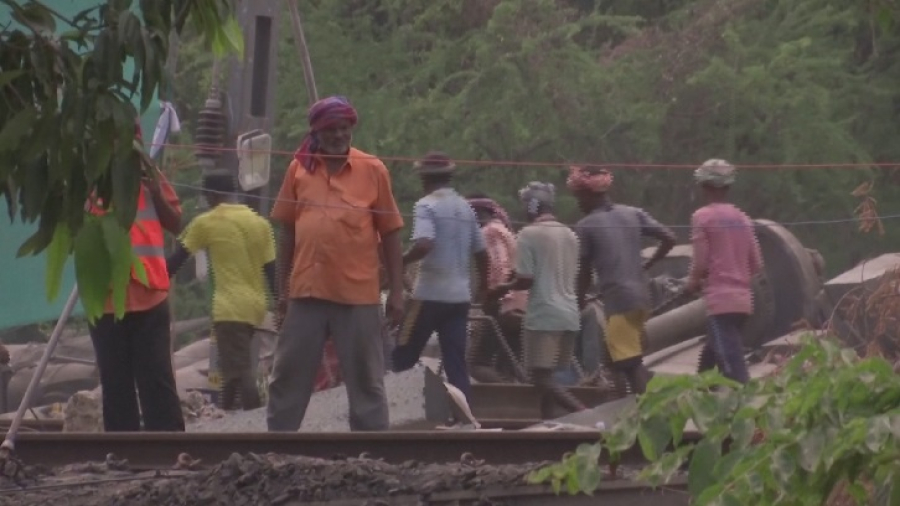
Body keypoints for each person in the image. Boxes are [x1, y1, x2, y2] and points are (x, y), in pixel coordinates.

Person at [267, 95, 405, 432]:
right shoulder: (299, 168)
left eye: (344, 129)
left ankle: (371, 456)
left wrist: (398, 294)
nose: (339, 136)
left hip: (356, 294)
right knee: (288, 377)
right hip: (306, 292)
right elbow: (288, 232)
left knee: (366, 381)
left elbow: (390, 234)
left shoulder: (372, 170)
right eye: (331, 130)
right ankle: (276, 450)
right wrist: (282, 291)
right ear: (316, 132)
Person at [85, 122, 185, 432]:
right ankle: (123, 454)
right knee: (115, 384)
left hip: (149, 294)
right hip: (105, 299)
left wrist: (155, 192)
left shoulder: (150, 175)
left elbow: (177, 223)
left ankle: (171, 450)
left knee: (157, 379)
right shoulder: (88, 179)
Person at [166, 175, 277, 411]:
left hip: (229, 308)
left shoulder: (206, 223)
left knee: (239, 370)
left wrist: (150, 278)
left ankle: (256, 422)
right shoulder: (260, 223)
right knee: (230, 369)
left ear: (210, 196)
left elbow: (176, 262)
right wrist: (280, 306)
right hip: (256, 307)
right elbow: (272, 271)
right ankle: (224, 419)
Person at [568, 165, 676, 395]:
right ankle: (618, 408)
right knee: (613, 359)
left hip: (619, 302)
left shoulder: (585, 226)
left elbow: (584, 272)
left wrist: (577, 302)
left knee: (630, 363)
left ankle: (649, 413)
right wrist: (647, 265)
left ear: (589, 195)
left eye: (579, 197)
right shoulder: (633, 213)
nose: (578, 203)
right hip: (642, 298)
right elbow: (669, 237)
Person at [393, 152, 489, 400]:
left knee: (404, 353)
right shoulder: (466, 207)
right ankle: (464, 419)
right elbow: (481, 253)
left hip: (428, 295)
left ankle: (400, 414)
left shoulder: (426, 205)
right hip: (459, 298)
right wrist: (484, 288)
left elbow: (424, 244)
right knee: (455, 361)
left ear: (424, 178)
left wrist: (399, 261)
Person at [490, 182, 585, 418]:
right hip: (570, 315)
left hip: (544, 315)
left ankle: (584, 411)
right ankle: (549, 423)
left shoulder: (528, 234)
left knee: (539, 377)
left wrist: (503, 287)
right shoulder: (570, 234)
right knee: (549, 376)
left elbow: (525, 279)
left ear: (533, 206)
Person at [684, 159, 764, 384]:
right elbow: (757, 264)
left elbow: (700, 261)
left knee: (733, 370)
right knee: (710, 360)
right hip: (744, 303)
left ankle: (748, 406)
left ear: (704, 187)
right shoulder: (743, 218)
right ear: (727, 187)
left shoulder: (702, 217)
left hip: (719, 304)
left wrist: (692, 282)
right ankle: (697, 398)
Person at [465, 193, 525, 383]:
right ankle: (515, 402)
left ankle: (503, 394)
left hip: (501, 303)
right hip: (518, 303)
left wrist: (489, 296)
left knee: (477, 363)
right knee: (509, 361)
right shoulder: (503, 230)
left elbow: (500, 267)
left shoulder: (489, 232)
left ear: (478, 212)